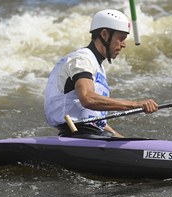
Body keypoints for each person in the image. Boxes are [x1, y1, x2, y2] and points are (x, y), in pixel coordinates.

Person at [44, 9, 158, 138]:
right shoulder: (82, 59)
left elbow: (97, 122)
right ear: (104, 34)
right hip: (76, 134)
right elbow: (87, 98)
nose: (124, 44)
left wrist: (123, 140)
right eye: (121, 38)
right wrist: (137, 104)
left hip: (93, 133)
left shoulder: (98, 67)